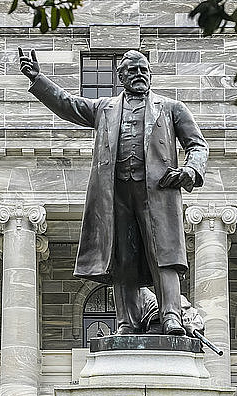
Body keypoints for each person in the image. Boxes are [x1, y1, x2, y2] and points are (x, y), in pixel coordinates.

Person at [19, 48, 208, 336]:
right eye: (132, 71)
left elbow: (197, 144)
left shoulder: (171, 108)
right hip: (115, 194)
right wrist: (38, 79)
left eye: (144, 70)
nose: (139, 75)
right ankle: (128, 322)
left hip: (157, 193)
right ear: (120, 76)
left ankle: (171, 316)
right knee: (123, 257)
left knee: (164, 256)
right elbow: (69, 105)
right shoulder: (104, 108)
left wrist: (191, 170)